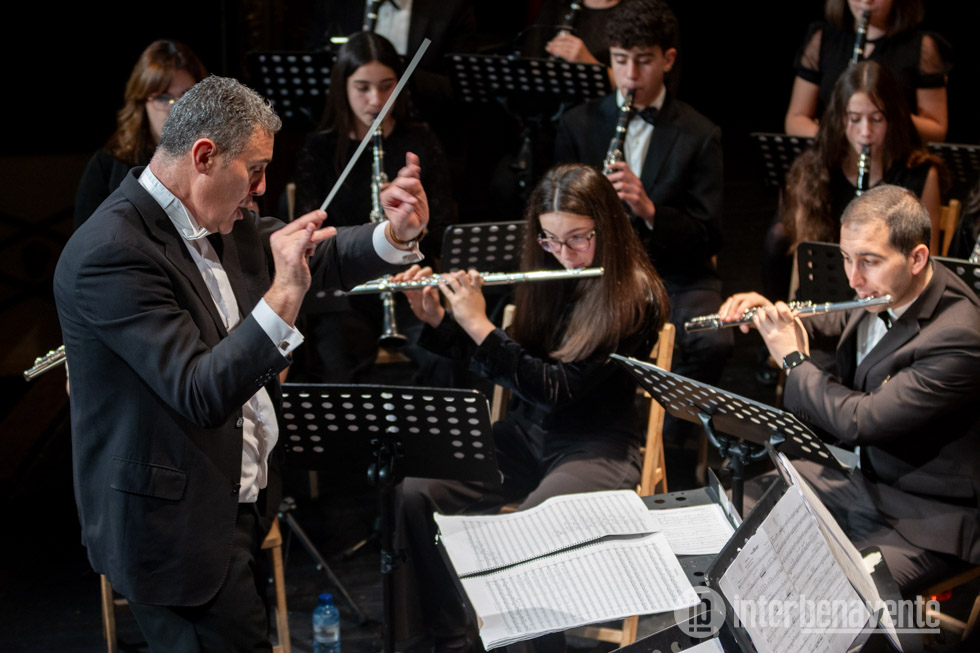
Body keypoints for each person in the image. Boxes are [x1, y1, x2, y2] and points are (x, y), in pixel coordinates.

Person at [54, 75, 429, 652]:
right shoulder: (112, 252)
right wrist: (283, 296)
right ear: (204, 156)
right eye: (253, 170)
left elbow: (307, 253)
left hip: (236, 502)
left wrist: (391, 235)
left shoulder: (214, 219)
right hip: (174, 531)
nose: (261, 189)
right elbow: (199, 391)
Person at [392, 163, 668, 652]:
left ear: (608, 228)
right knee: (416, 490)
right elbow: (508, 366)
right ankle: (449, 636)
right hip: (528, 435)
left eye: (578, 239)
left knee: (536, 524)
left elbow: (555, 389)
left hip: (595, 446)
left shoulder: (636, 297)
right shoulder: (549, 277)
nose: (564, 255)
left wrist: (480, 325)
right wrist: (441, 319)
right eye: (550, 240)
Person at [725, 184, 980, 595]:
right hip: (864, 485)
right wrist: (770, 312)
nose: (854, 278)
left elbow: (861, 421)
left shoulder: (960, 337)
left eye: (869, 261)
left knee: (833, 595)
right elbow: (840, 325)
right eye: (846, 258)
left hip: (925, 517)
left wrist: (793, 360)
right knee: (743, 509)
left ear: (917, 258)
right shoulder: (887, 290)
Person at [554, 0, 731, 484]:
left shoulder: (699, 133)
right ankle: (571, 438)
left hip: (673, 273)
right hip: (593, 272)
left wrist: (650, 210)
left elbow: (707, 234)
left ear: (668, 60)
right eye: (619, 59)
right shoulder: (577, 123)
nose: (630, 74)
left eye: (644, 60)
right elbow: (550, 210)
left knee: (712, 339)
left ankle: (673, 441)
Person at [285, 31, 455, 383]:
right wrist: (374, 237)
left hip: (406, 283)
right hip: (346, 290)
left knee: (441, 357)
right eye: (362, 87)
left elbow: (444, 231)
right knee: (336, 360)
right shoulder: (320, 148)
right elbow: (310, 235)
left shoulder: (419, 140)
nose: (376, 100)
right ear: (342, 87)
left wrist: (411, 224)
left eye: (387, 85)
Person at [766, 60, 945, 299]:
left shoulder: (921, 174)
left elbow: (925, 268)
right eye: (855, 118)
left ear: (894, 118)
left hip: (887, 305)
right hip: (826, 308)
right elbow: (804, 262)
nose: (866, 132)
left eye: (877, 119)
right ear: (839, 118)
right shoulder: (814, 171)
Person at [74, 39, 208, 228]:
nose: (178, 107)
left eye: (187, 96)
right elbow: (86, 240)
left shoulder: (216, 159)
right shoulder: (107, 165)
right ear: (142, 102)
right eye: (163, 97)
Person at [785, 0, 951, 143]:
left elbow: (936, 131)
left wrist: (889, 111)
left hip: (894, 161)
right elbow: (795, 119)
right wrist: (833, 139)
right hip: (835, 159)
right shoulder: (824, 38)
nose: (866, 1)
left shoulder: (921, 46)